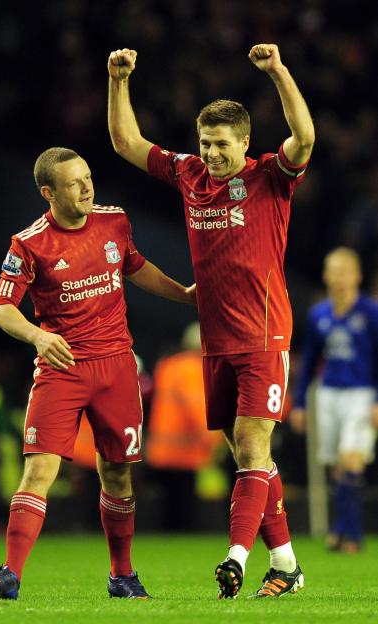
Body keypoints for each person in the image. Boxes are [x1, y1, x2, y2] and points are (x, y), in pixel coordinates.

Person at [107, 43, 315, 599]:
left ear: (244, 142)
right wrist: (118, 80)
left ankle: (236, 556)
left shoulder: (272, 176)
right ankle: (288, 565)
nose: (212, 153)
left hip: (266, 334)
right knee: (253, 460)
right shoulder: (189, 175)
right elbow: (126, 142)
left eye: (222, 144)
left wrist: (277, 71)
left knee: (251, 450)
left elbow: (306, 137)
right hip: (217, 341)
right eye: (205, 143)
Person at [0, 147, 195, 600]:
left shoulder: (113, 221)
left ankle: (122, 576)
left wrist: (184, 295)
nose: (86, 187)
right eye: (74, 182)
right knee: (39, 470)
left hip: (117, 368)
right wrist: (38, 337)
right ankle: (10, 572)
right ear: (48, 193)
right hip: (63, 369)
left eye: (88, 177)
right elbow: (1, 309)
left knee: (117, 475)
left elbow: (135, 268)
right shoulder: (29, 243)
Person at [291, 247, 378, 552]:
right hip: (328, 394)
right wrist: (300, 403)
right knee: (337, 468)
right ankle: (344, 531)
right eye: (334, 271)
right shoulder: (318, 314)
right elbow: (310, 361)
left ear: (357, 276)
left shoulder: (371, 313)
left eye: (345, 272)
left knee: (351, 458)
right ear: (326, 275)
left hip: (361, 393)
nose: (339, 278)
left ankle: (348, 533)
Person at [145, 322, 223, 531]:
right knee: (184, 514)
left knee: (168, 511)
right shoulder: (193, 369)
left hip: (161, 449)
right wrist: (215, 442)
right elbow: (197, 407)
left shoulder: (168, 365)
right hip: (185, 453)